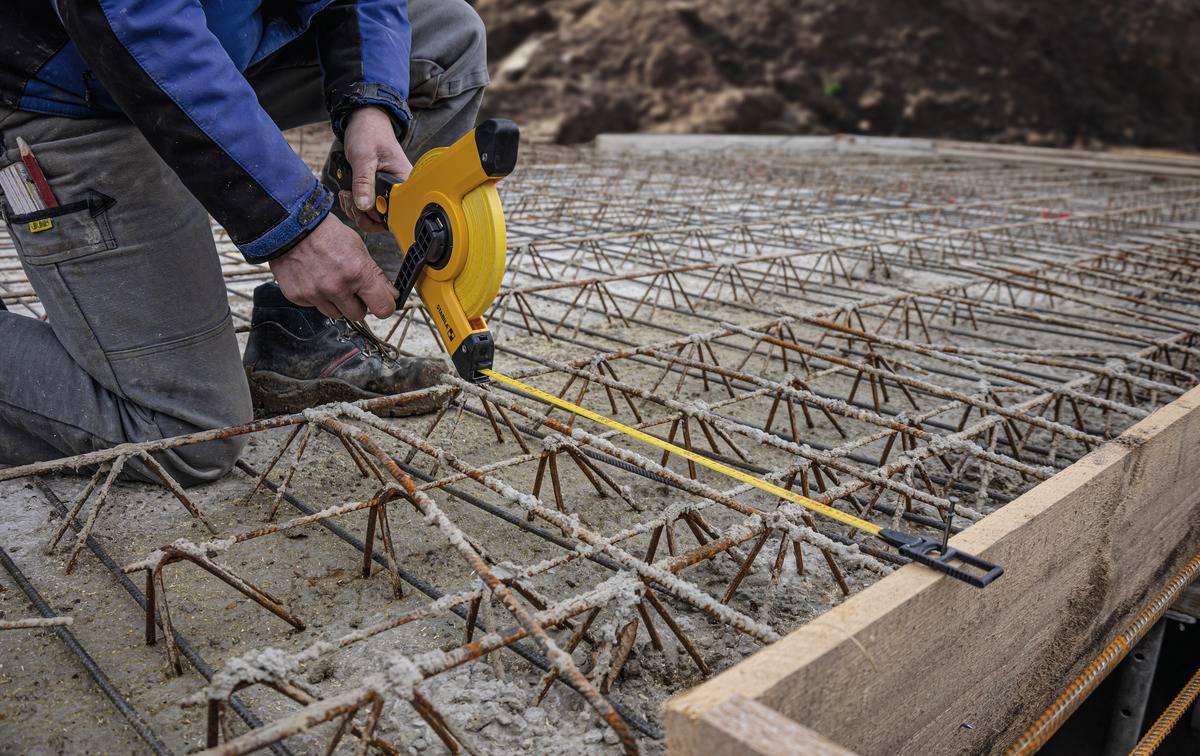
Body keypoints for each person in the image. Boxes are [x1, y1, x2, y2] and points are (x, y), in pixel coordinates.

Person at [0, 0, 489, 486]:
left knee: (446, 39)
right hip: (69, 87)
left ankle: (303, 339)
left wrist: (372, 101)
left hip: (216, 48)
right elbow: (133, 19)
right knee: (187, 435)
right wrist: (294, 227)